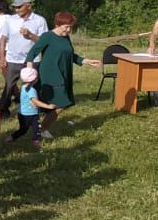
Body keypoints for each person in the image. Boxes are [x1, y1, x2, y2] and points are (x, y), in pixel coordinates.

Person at [24, 11, 101, 139]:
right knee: (62, 103)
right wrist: (29, 73)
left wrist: (86, 61)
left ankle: (40, 127)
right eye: (66, 26)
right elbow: (31, 54)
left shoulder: (66, 37)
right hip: (51, 75)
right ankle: (42, 129)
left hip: (64, 73)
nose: (69, 30)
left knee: (56, 103)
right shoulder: (47, 36)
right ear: (57, 24)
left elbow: (70, 55)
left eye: (71, 27)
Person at [0, 0, 48, 116]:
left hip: (32, 59)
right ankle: (3, 110)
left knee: (34, 85)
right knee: (9, 86)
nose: (16, 9)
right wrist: (2, 57)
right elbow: (3, 38)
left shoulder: (39, 20)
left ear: (29, 5)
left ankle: (37, 108)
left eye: (19, 6)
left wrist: (30, 35)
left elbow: (44, 41)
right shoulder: (10, 20)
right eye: (15, 7)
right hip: (13, 59)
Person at [7, 67, 54, 148]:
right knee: (36, 129)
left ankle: (12, 137)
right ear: (34, 79)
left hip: (22, 114)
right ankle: (35, 141)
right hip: (31, 115)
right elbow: (35, 101)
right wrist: (48, 106)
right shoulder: (31, 90)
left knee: (24, 130)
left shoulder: (23, 87)